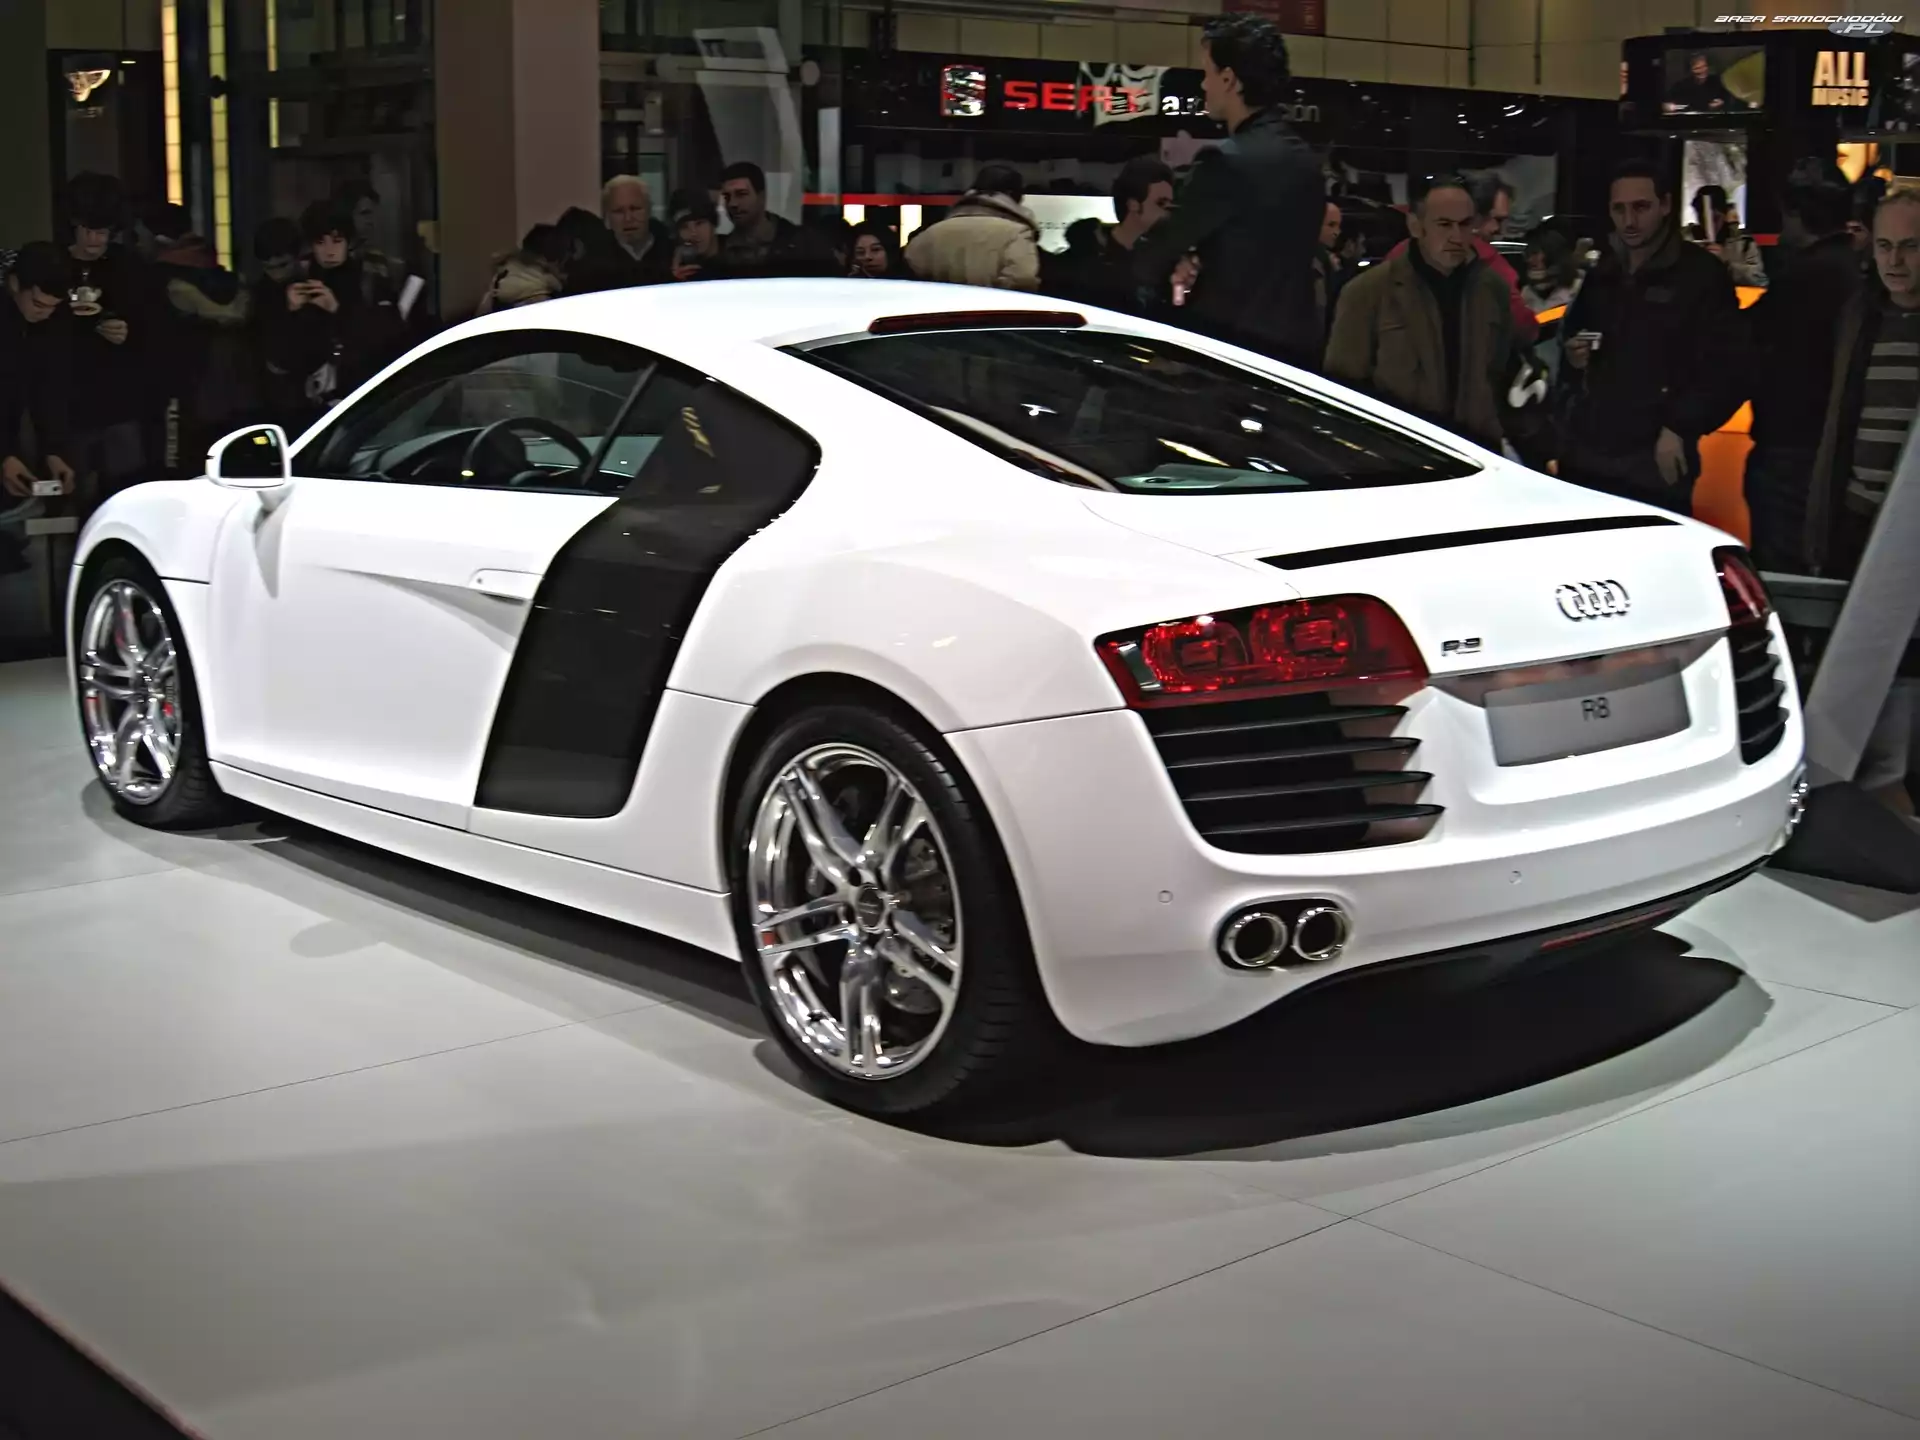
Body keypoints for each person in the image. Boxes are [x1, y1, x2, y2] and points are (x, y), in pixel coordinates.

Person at [1801, 186, 1920, 816]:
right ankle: (1876, 795)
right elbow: (1839, 420)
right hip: (1859, 517)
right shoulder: (1860, 315)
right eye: (1885, 246)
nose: (1895, 260)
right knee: (1870, 665)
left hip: (1911, 525)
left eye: (1910, 246)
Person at [1132, 14, 1324, 366]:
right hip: (1297, 356)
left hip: (1231, 353)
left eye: (1207, 73)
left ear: (1229, 79)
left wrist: (1181, 261)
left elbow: (1160, 247)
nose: (1203, 84)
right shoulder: (1307, 161)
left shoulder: (1225, 162)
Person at [1555, 158, 1742, 515]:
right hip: (1589, 448)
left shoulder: (1700, 275)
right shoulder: (1604, 271)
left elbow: (1727, 367)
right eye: (1619, 209)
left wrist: (1679, 426)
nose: (1629, 220)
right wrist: (1575, 357)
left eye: (1640, 207)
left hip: (1654, 455)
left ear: (1665, 205)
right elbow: (1573, 339)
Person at [1324, 174, 1513, 451]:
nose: (1457, 237)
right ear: (1416, 226)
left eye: (1464, 224)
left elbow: (1501, 374)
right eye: (1444, 224)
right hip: (1400, 458)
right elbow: (1342, 393)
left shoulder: (1492, 290)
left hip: (1478, 454)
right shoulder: (1369, 292)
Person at [1743, 158, 1864, 571]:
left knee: (1783, 571)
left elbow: (1746, 342)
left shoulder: (1801, 280)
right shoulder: (1858, 273)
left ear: (1796, 214)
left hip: (1790, 450)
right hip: (1836, 449)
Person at [61, 173, 160, 511]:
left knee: (126, 496)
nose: (94, 240)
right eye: (87, 230)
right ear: (73, 223)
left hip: (121, 400)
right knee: (71, 496)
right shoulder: (54, 264)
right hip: (68, 400)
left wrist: (129, 333)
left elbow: (155, 329)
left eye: (102, 231)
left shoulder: (130, 266)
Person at [260, 200, 403, 422]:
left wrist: (337, 310)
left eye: (337, 241)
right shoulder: (298, 283)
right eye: (320, 242)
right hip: (310, 406)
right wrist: (291, 312)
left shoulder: (369, 280)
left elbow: (388, 340)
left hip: (364, 398)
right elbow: (278, 360)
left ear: (349, 242)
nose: (329, 251)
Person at [146, 202, 254, 472]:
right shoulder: (228, 278)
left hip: (183, 387)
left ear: (158, 239)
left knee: (180, 467)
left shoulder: (161, 279)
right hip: (234, 388)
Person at [1387, 171, 1537, 345]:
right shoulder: (1486, 262)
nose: (1498, 229)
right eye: (1497, 219)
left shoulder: (1401, 252)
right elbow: (1522, 326)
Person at [1, 243, 76, 553]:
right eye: (37, 304)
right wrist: (4, 454)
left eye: (52, 307)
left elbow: (47, 389)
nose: (43, 313)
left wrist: (54, 450)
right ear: (14, 283)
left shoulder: (45, 324)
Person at [1045, 155, 1174, 309]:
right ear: (1133, 205)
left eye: (1169, 205)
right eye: (1160, 203)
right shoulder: (1083, 258)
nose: (1166, 213)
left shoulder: (1160, 260)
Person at [903, 164, 1042, 291]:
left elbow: (909, 273)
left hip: (939, 308)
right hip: (991, 309)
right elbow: (1022, 279)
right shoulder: (1016, 233)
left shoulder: (931, 233)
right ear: (1013, 195)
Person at [717, 162, 837, 277]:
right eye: (727, 197)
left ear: (762, 197)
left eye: (741, 194)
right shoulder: (719, 252)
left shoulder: (805, 244)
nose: (732, 204)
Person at [1686, 185, 1767, 287]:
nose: (1709, 224)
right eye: (1702, 218)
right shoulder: (1685, 240)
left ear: (1725, 215)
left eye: (1715, 218)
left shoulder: (1743, 243)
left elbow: (1759, 279)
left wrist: (1726, 262)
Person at [602, 174, 672, 284]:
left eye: (635, 209)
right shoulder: (593, 263)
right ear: (607, 216)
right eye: (618, 211)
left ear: (649, 210)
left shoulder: (673, 253)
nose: (628, 218)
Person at [668, 189, 726, 282]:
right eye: (685, 227)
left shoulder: (737, 254)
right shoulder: (674, 263)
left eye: (699, 223)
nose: (693, 233)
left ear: (713, 223)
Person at [1521, 228, 1580, 313]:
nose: (1529, 260)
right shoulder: (1526, 294)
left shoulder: (1577, 292)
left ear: (1552, 254)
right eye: (1528, 254)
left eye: (1534, 253)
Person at [1666, 51, 1746, 113]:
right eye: (1697, 68)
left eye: (1704, 66)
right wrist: (1668, 107)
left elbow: (1729, 101)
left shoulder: (1717, 81)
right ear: (1690, 71)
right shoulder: (1681, 85)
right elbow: (1667, 103)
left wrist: (1722, 103)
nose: (1702, 71)